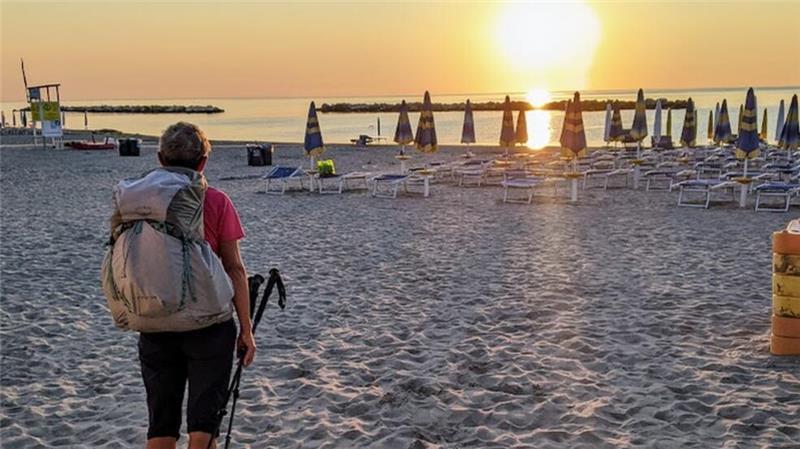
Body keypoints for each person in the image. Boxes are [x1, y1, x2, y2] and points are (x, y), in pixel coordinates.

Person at [138, 122, 256, 449]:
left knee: (160, 426)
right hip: (209, 325)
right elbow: (234, 268)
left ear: (161, 159)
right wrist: (246, 329)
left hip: (155, 320)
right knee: (204, 427)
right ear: (203, 162)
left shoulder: (140, 202)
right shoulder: (216, 201)